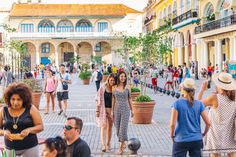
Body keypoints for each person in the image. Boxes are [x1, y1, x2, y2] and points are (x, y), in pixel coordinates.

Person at [197, 72, 236, 157]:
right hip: (230, 136)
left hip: (215, 136)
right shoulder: (235, 98)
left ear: (219, 85)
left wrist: (202, 89)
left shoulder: (214, 98)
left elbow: (196, 105)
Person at [0, 83, 44, 156]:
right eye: (13, 99)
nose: (15, 102)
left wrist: (29, 130)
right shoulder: (3, 110)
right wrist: (4, 132)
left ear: (24, 99)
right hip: (10, 149)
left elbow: (40, 126)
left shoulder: (31, 108)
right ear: (8, 99)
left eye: (19, 99)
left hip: (30, 148)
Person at [169, 78, 211, 157]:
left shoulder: (177, 104)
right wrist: (204, 133)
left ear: (183, 89)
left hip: (180, 140)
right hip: (197, 140)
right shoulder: (199, 104)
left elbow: (172, 125)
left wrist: (171, 135)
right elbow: (208, 123)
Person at [112, 71, 133, 155]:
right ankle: (123, 142)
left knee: (122, 129)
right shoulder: (114, 87)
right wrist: (111, 111)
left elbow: (130, 99)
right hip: (117, 109)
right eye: (121, 76)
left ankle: (120, 148)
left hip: (126, 109)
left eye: (124, 76)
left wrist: (133, 110)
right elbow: (113, 100)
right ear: (118, 77)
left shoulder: (128, 87)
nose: (123, 78)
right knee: (117, 129)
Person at [96, 74, 116, 152]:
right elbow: (97, 99)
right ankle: (103, 145)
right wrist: (97, 110)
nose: (112, 82)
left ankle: (108, 143)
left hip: (112, 110)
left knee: (110, 127)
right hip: (103, 110)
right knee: (103, 126)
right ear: (108, 79)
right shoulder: (102, 87)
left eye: (114, 80)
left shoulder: (115, 88)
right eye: (111, 80)